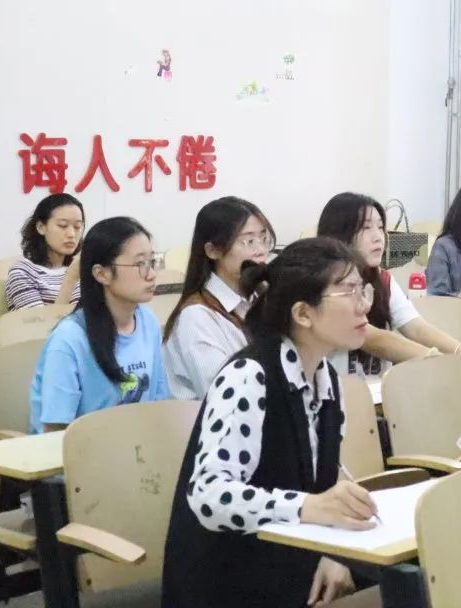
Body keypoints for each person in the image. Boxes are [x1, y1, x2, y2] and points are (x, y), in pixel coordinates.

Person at [162, 238, 380, 607]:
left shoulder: (326, 378)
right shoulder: (248, 376)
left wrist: (334, 553)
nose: (363, 306)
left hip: (290, 572)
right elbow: (209, 495)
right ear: (303, 313)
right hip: (227, 586)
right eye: (348, 292)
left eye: (363, 290)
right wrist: (308, 508)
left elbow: (321, 487)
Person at [317, 193, 461, 374]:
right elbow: (376, 340)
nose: (378, 237)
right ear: (339, 234)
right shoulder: (327, 286)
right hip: (339, 390)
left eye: (380, 227)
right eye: (366, 228)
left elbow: (416, 328)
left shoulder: (383, 280)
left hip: (381, 389)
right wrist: (446, 361)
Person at [28, 217, 169, 433]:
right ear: (101, 273)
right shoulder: (69, 339)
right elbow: (56, 430)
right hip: (80, 451)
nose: (151, 274)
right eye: (140, 264)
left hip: (138, 447)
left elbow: (159, 404)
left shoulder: (148, 321)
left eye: (152, 262)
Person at [163, 197, 276, 400]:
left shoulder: (260, 297)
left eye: (264, 238)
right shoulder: (196, 317)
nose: (260, 251)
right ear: (213, 250)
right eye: (249, 241)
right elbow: (225, 395)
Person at [6, 193, 85, 310]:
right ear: (41, 227)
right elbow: (40, 321)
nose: (72, 234)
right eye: (63, 226)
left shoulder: (82, 269)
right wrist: (71, 278)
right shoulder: (22, 273)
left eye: (77, 227)